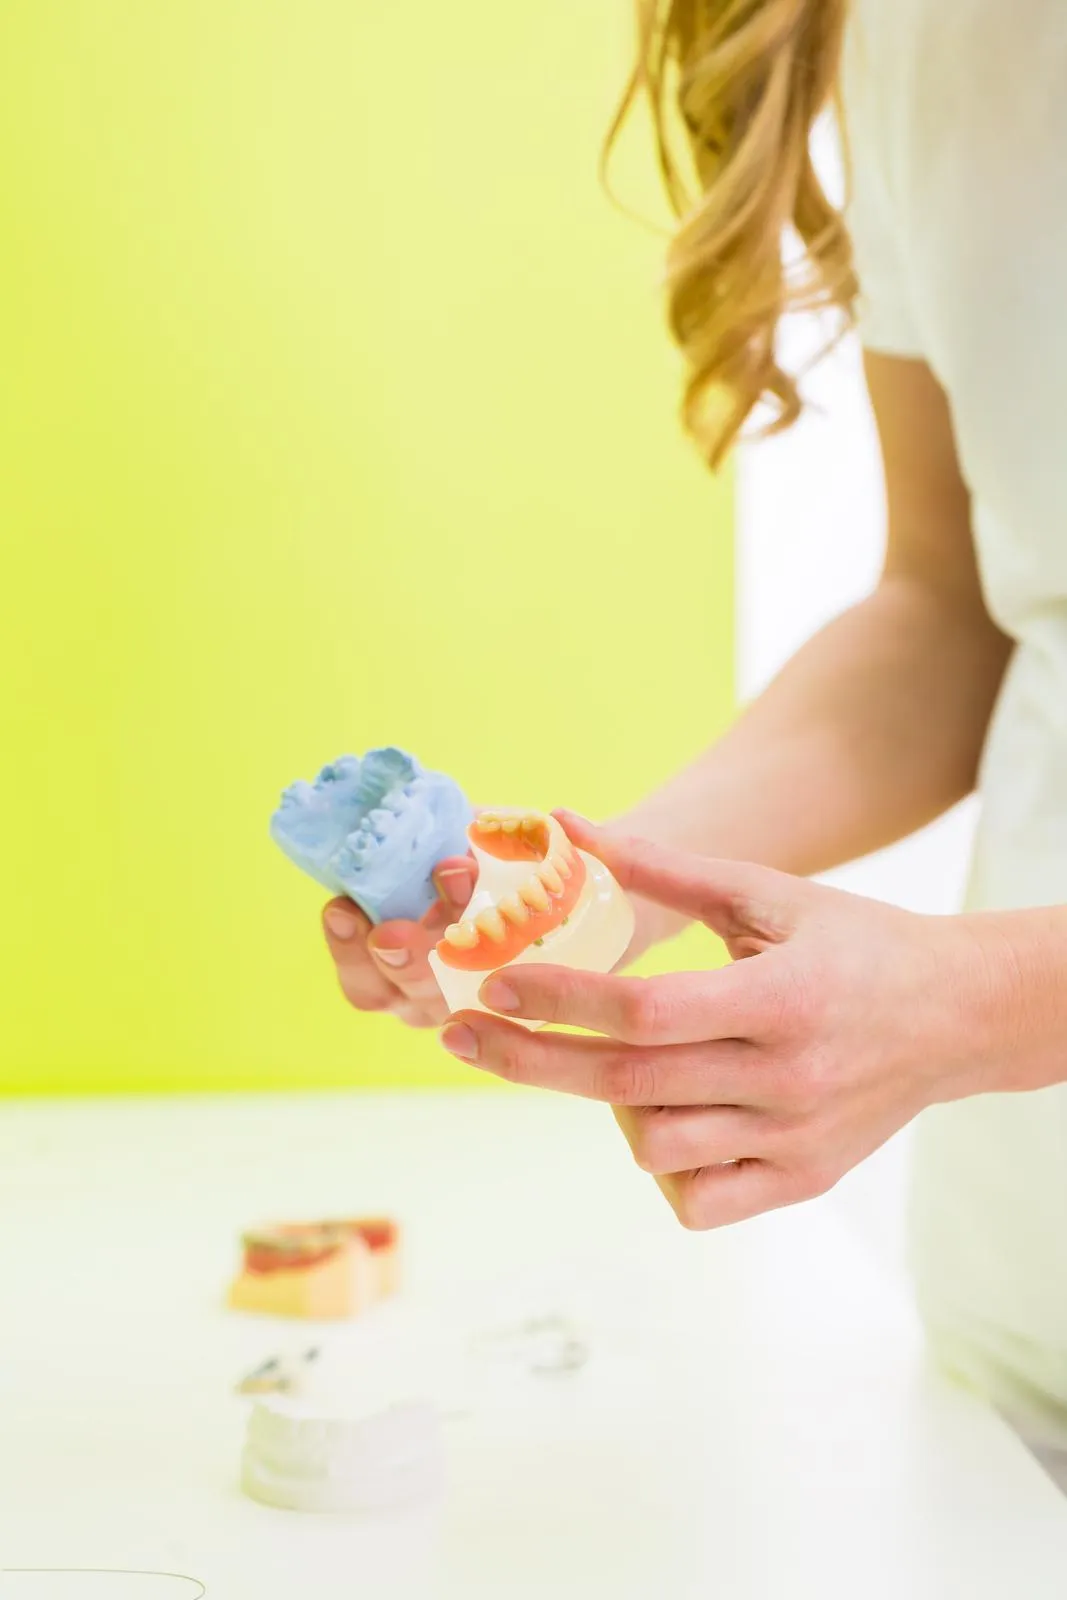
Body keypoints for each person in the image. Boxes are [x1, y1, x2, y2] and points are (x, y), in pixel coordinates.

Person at [320, 1, 1067, 1474]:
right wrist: (595, 888)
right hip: (1018, 1337)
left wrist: (974, 1003)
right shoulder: (916, 34)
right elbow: (959, 612)